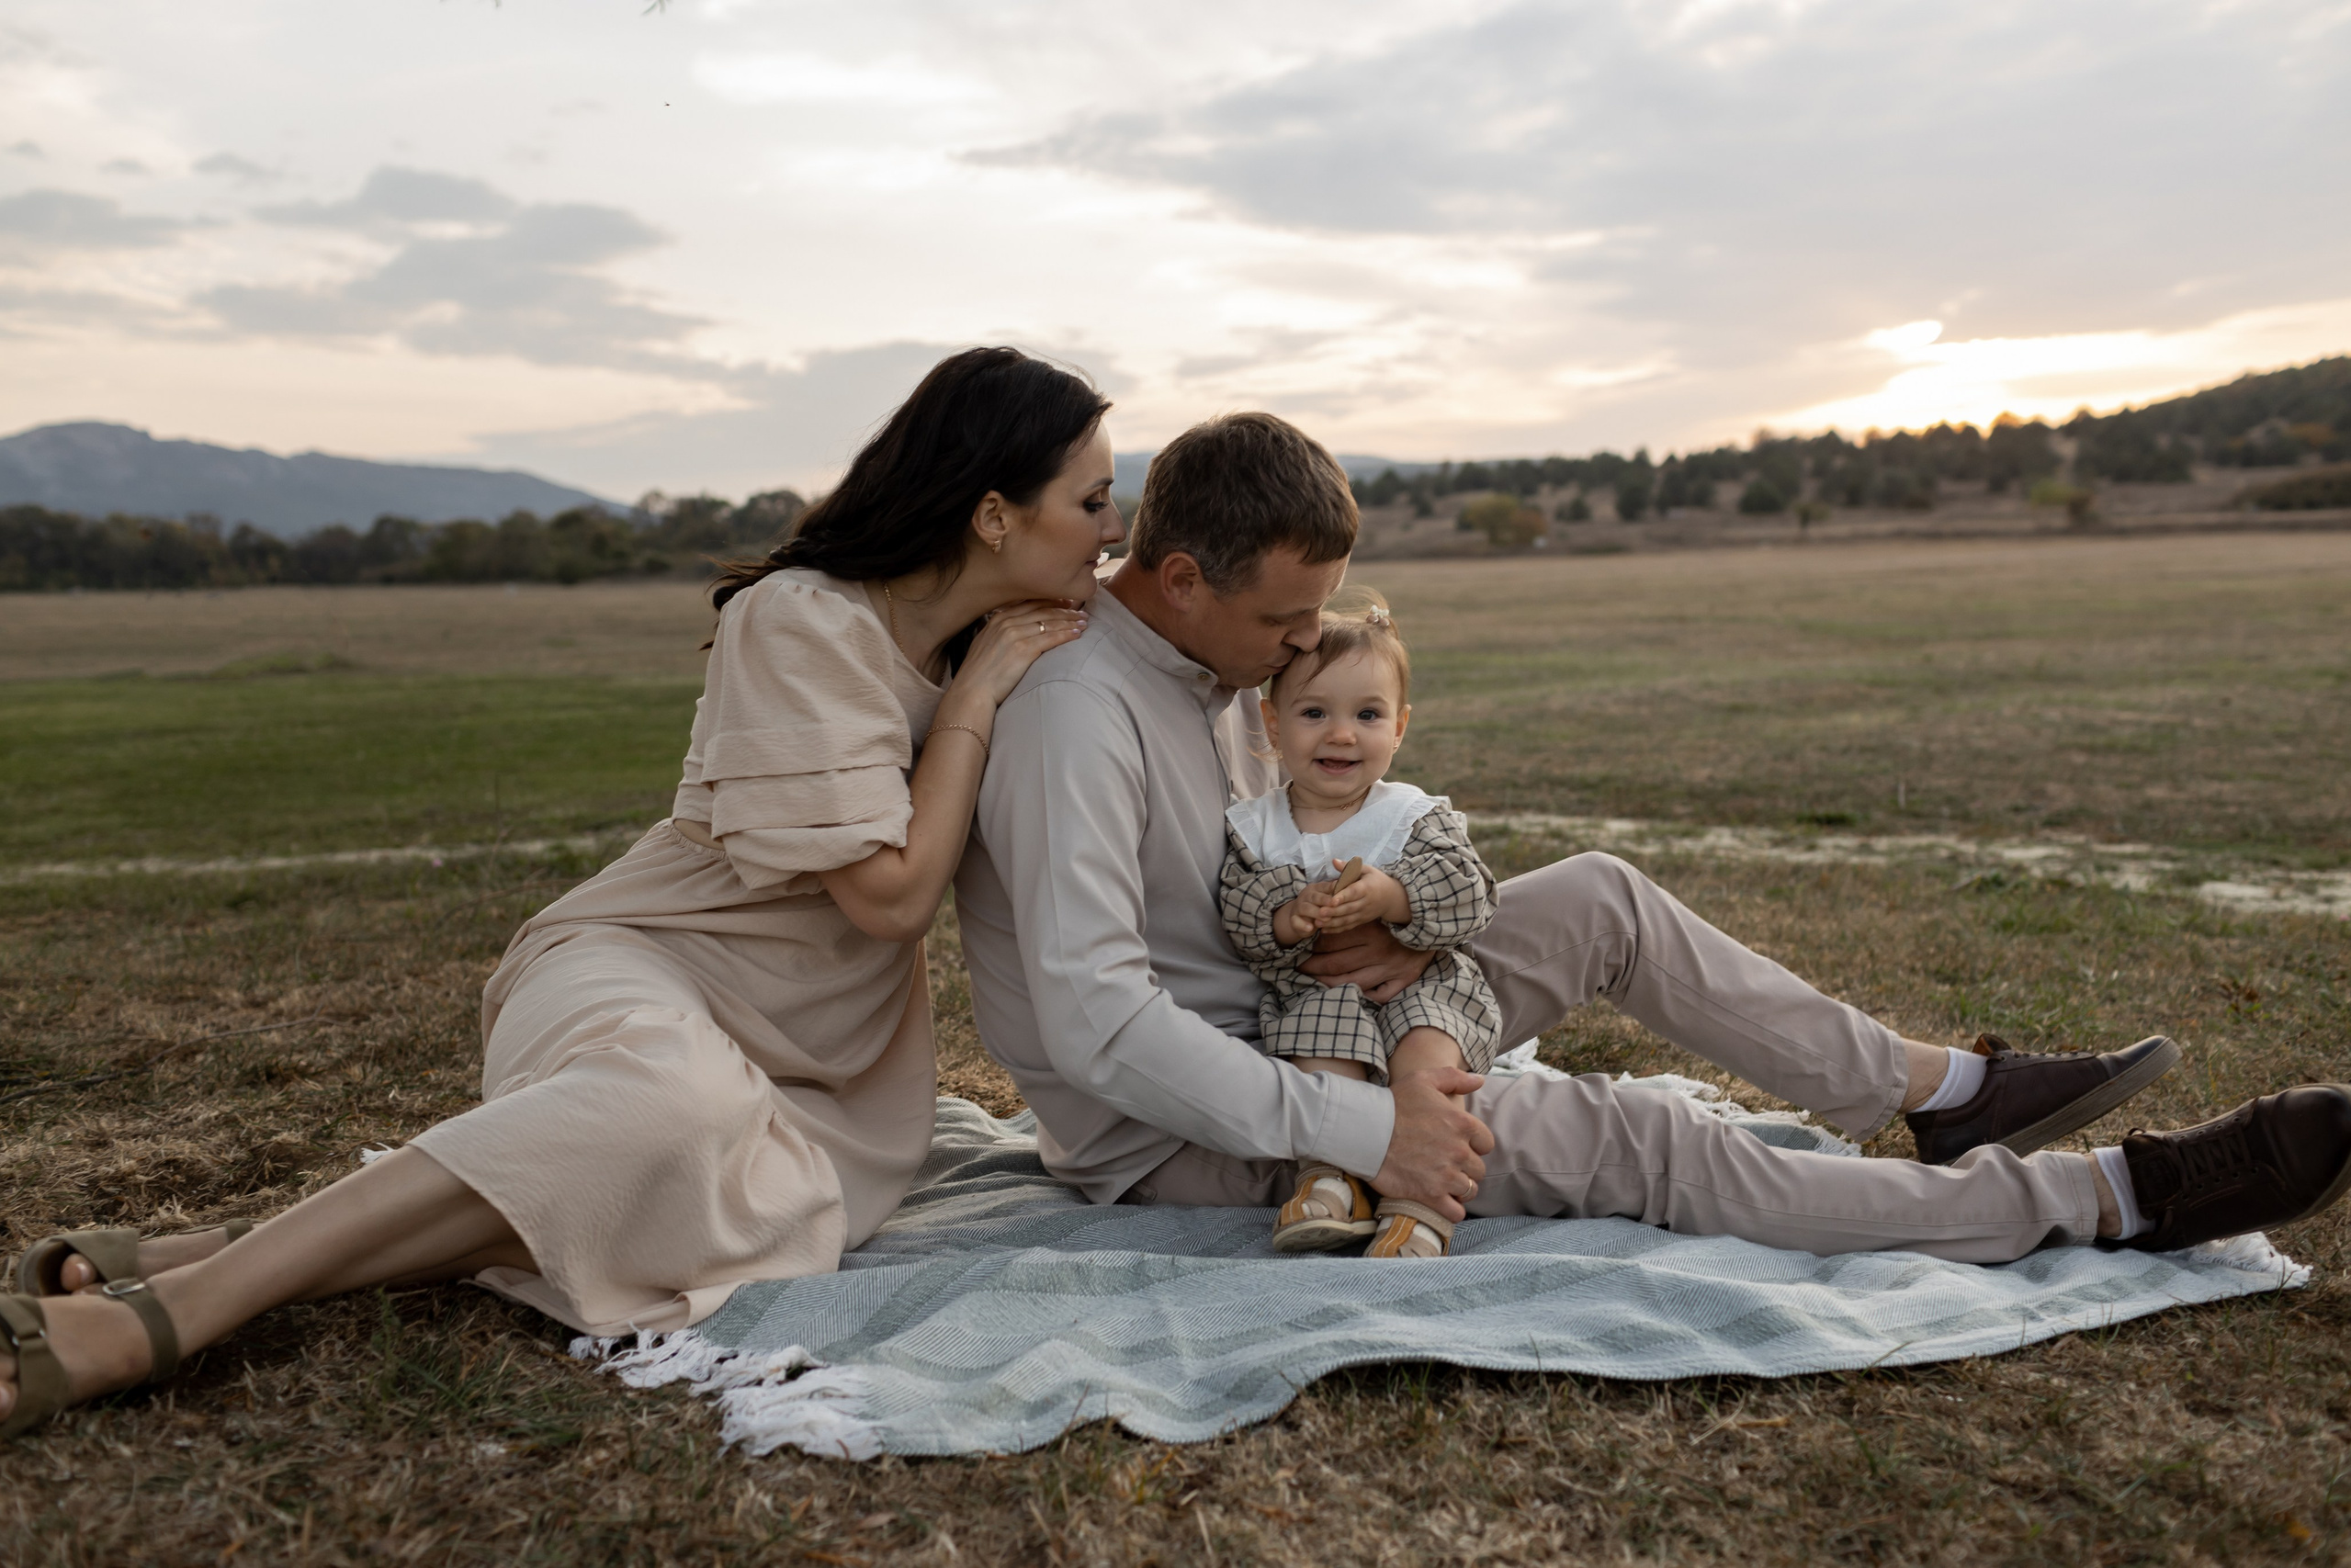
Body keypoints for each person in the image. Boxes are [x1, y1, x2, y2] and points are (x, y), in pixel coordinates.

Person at [0, 346, 1126, 1439]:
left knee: (704, 1175)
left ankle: (201, 1250)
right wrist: (976, 696)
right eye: (1093, 500)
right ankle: (172, 1317)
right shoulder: (803, 617)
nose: (1113, 528)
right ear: (993, 515)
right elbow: (886, 900)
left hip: (835, 1060)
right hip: (654, 956)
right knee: (673, 1111)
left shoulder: (1010, 637)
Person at [953, 408, 2351, 1266]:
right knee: (1638, 1138)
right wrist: (1369, 1122)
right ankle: (2111, 1195)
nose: (1310, 646)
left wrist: (1386, 913)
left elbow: (1244, 872)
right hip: (1190, 1120)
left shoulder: (1204, 670)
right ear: (1182, 575)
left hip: (1307, 995)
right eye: (1284, 624)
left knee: (1604, 897)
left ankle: (1939, 1090)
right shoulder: (1081, 715)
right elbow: (1096, 1024)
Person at [1219, 588, 1501, 1259]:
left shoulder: (1408, 813)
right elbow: (1240, 910)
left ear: (1399, 727)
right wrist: (1290, 916)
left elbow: (1474, 893)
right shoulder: (1256, 828)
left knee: (1429, 1063)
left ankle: (1423, 1206)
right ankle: (1331, 1180)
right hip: (1321, 992)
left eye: (1367, 714)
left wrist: (1394, 895)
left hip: (1424, 986)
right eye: (1314, 712)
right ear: (1273, 722)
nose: (1342, 733)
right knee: (1320, 1047)